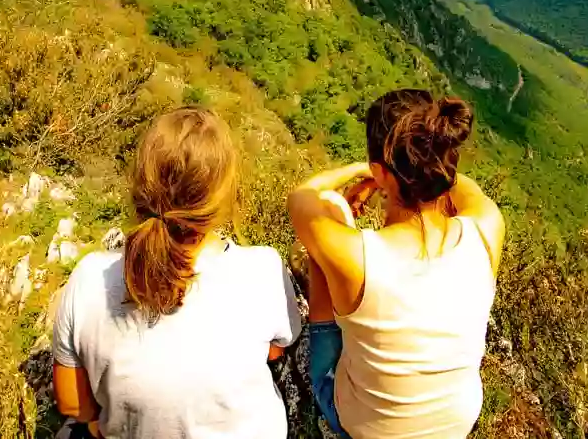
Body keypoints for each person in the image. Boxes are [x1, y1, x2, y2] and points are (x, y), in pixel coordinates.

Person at [53, 106, 303, 439]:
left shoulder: (89, 279)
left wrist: (100, 423)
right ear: (221, 198)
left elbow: (72, 402)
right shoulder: (262, 269)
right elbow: (276, 348)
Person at [288, 89, 506, 439]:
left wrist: (362, 171)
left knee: (327, 219)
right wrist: (413, 166)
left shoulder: (358, 257)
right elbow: (465, 187)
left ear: (381, 170)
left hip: (367, 429)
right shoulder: (486, 229)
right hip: (454, 426)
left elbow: (304, 197)